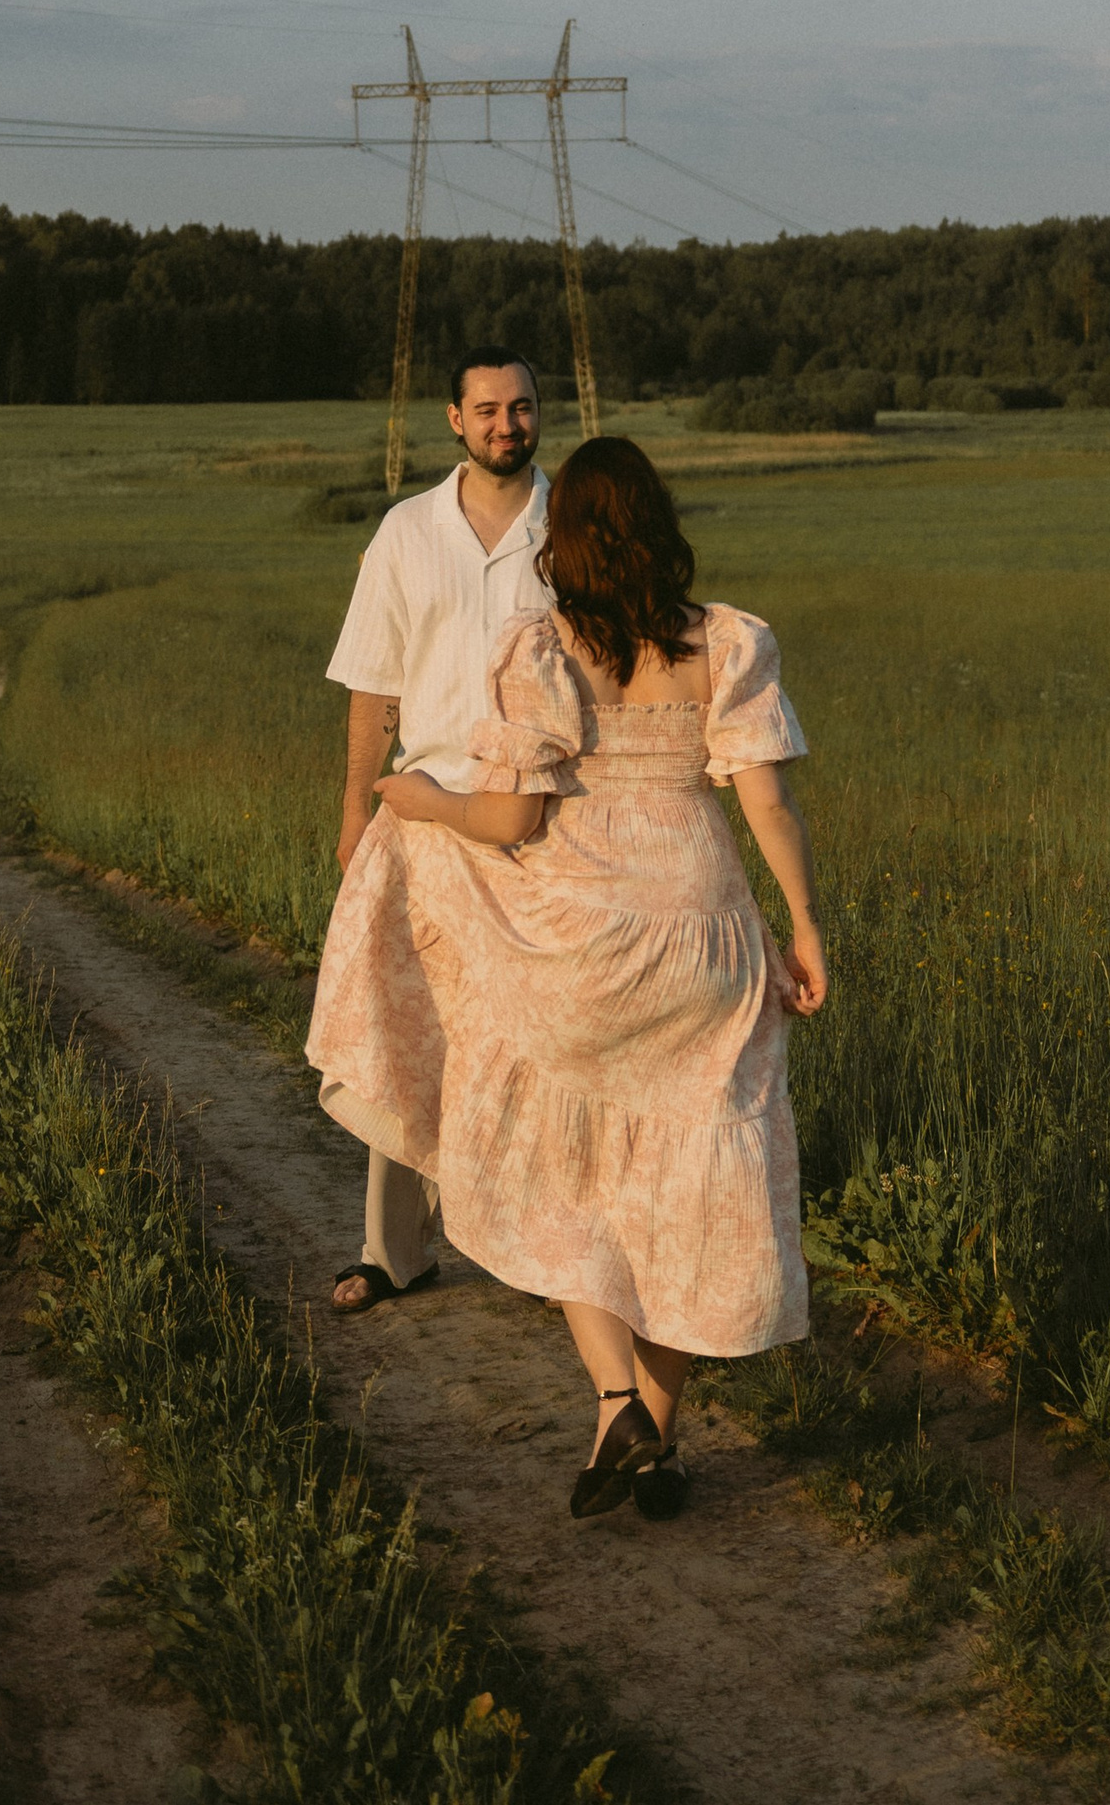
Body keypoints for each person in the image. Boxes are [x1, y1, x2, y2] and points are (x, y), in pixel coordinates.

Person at [308, 434, 827, 1521]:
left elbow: (511, 818)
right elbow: (768, 804)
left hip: (581, 936)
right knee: (695, 1184)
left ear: (566, 538)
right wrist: (804, 926)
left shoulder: (543, 648)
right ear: (659, 525)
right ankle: (656, 1440)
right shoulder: (727, 641)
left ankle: (614, 1402)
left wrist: (422, 802)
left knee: (561, 1170)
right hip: (706, 933)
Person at [320, 343, 549, 1315]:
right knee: (409, 1024)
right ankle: (393, 1251)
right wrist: (353, 815)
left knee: (539, 1038)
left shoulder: (573, 526)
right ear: (454, 419)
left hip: (544, 820)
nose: (506, 424)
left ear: (539, 412)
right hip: (422, 808)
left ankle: (548, 1254)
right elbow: (373, 687)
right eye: (487, 409)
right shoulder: (407, 531)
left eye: (520, 407)